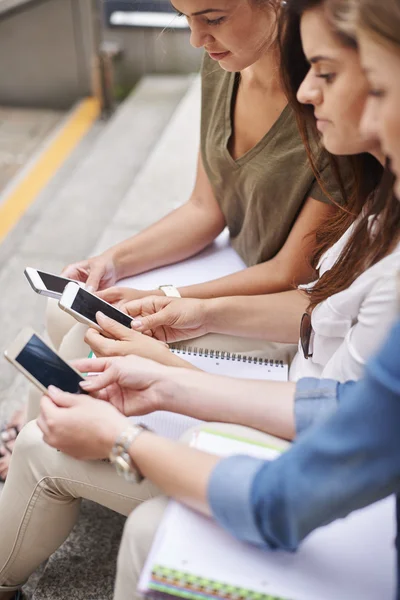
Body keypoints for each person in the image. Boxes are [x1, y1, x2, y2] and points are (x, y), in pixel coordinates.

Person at [0, 2, 397, 598]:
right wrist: (175, 331)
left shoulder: (355, 169)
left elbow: (317, 441)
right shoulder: (384, 193)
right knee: (91, 327)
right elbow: (318, 326)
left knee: (57, 441)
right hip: (291, 386)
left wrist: (135, 421)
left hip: (290, 439)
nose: (310, 92)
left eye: (328, 71)